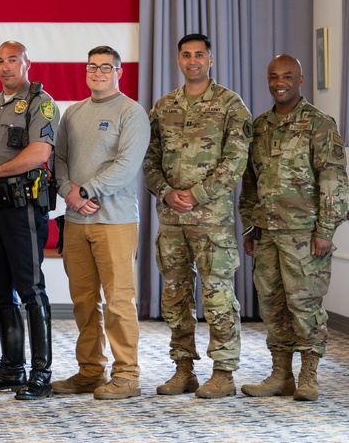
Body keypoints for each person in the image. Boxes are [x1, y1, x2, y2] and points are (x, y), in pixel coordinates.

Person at [143, 33, 252, 399]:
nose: (192, 61)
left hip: (211, 221)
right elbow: (148, 159)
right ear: (178, 60)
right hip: (171, 219)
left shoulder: (230, 106)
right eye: (186, 55)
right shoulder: (163, 106)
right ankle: (183, 369)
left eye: (199, 55)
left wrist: (198, 194)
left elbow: (236, 161)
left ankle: (224, 373)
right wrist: (166, 191)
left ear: (211, 59)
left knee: (218, 295)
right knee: (175, 295)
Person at [238, 54, 347, 402]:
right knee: (272, 304)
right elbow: (250, 182)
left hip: (305, 234)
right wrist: (249, 226)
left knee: (305, 305)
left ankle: (309, 376)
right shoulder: (259, 126)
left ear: (300, 80)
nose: (279, 82)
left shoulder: (319, 124)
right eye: (273, 76)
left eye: (287, 76)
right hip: (267, 232)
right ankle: (280, 374)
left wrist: (326, 231)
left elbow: (334, 181)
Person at [52, 46, 149, 400]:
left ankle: (127, 376)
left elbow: (127, 165)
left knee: (119, 301)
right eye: (92, 66)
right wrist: (69, 193)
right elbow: (58, 160)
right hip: (76, 221)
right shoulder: (73, 113)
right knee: (83, 300)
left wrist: (87, 190)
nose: (98, 72)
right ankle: (91, 371)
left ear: (118, 72)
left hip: (116, 222)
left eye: (106, 67)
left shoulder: (131, 112)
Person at [0, 41, 60, 400]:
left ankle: (41, 373)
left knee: (30, 288)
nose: (5, 67)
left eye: (12, 60)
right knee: (0, 288)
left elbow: (39, 153)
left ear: (27, 63)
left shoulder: (41, 102)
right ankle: (12, 367)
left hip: (22, 205)